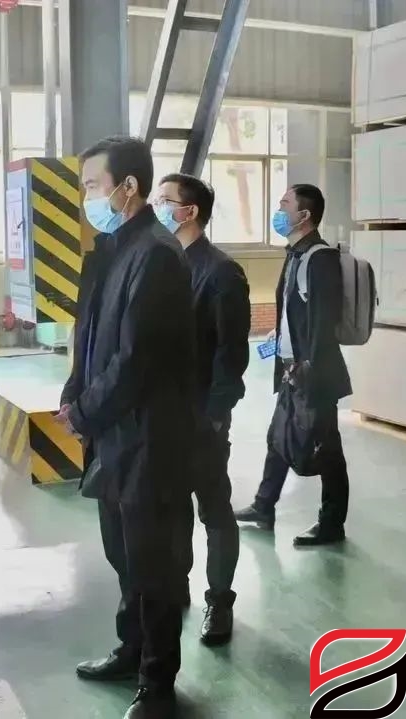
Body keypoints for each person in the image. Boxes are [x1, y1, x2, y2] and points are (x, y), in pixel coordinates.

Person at [58, 136, 197, 719]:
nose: (87, 198)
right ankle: (130, 649)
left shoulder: (157, 255)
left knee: (153, 564)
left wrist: (84, 412)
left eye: (93, 185)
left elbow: (137, 359)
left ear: (128, 187)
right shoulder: (111, 250)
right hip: (113, 436)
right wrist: (74, 394)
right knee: (123, 555)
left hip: (149, 440)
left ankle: (158, 682)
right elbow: (91, 339)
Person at [153, 173, 250, 646]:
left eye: (165, 200)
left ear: (189, 212)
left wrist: (214, 415)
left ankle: (220, 601)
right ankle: (178, 586)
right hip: (163, 418)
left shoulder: (220, 272)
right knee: (172, 511)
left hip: (202, 419)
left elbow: (232, 354)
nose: (158, 207)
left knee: (214, 510)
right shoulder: (162, 263)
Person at [233, 184, 351, 547]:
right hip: (293, 369)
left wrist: (308, 368)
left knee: (327, 450)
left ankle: (331, 524)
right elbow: (295, 311)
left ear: (304, 215)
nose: (279, 210)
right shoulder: (296, 254)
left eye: (285, 204)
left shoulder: (320, 258)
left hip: (314, 374)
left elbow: (323, 321)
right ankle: (264, 505)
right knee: (278, 437)